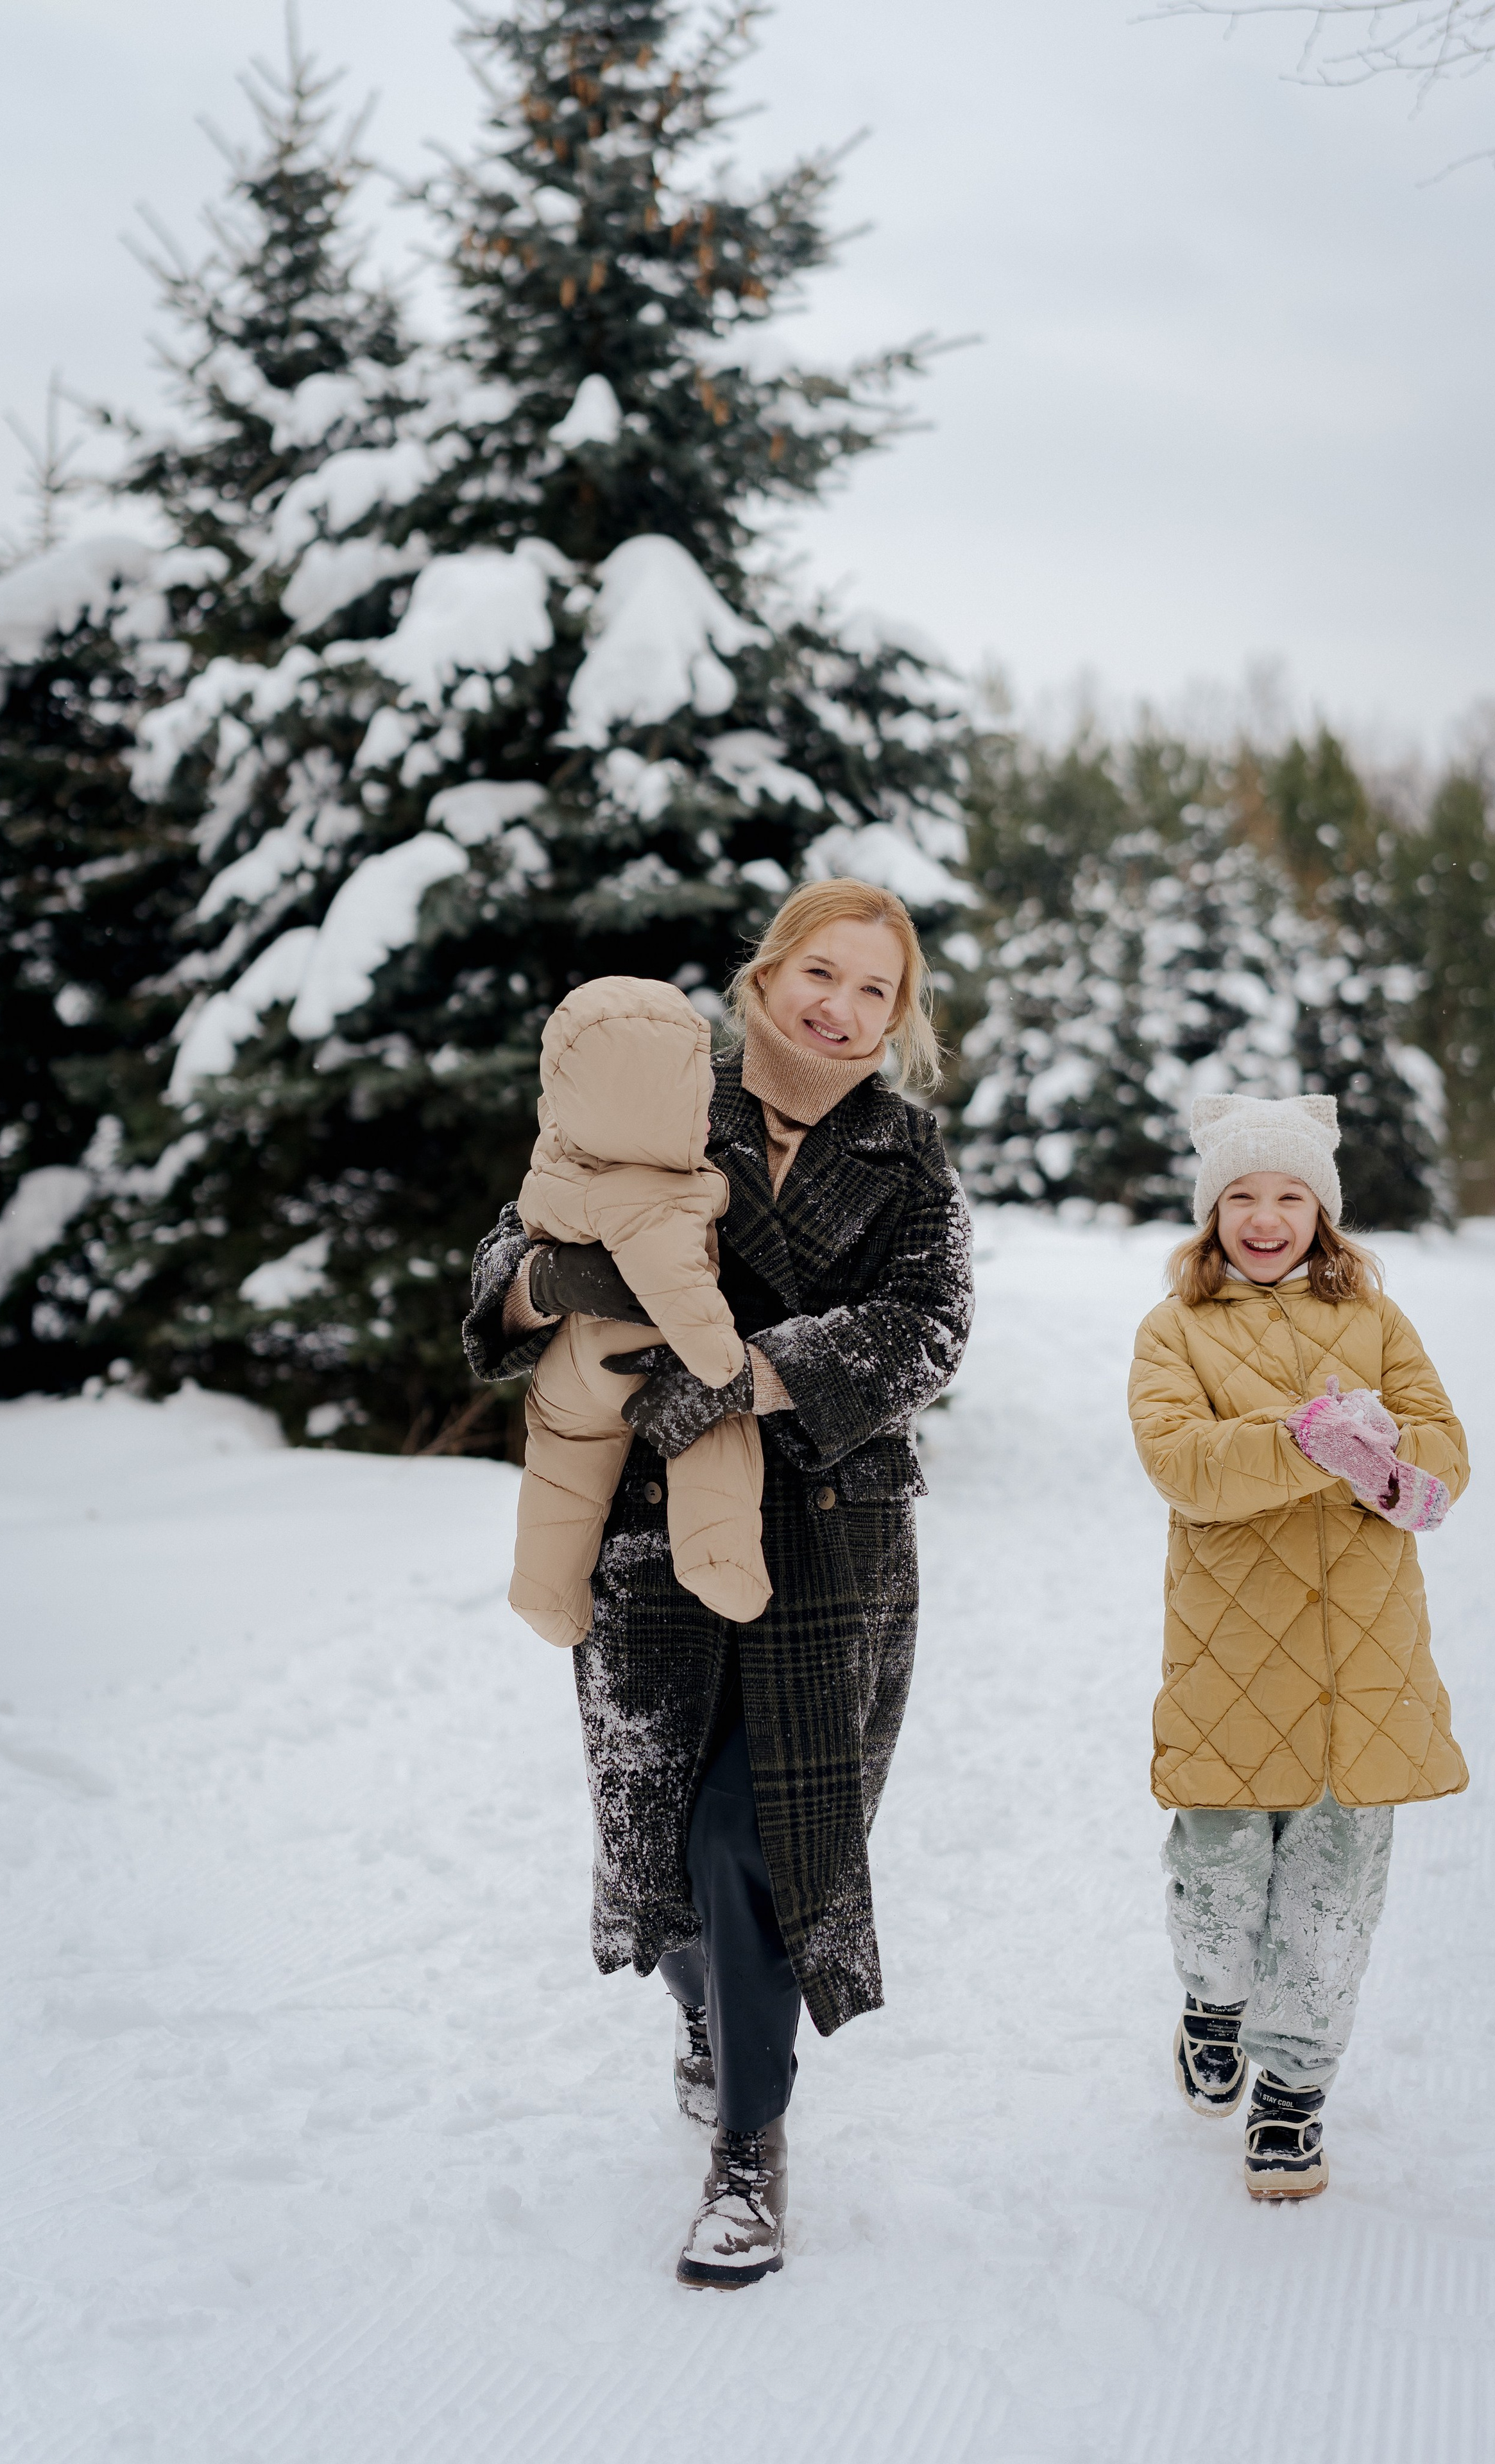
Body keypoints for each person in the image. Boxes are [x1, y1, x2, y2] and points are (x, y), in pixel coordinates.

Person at [463, 879, 973, 2286]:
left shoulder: (905, 1156)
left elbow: (928, 1330)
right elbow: (508, 1255)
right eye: (822, 973)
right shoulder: (667, 1087)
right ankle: (703, 2010)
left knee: (761, 1841)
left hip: (828, 1544)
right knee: (670, 1853)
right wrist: (554, 1285)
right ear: (767, 973)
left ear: (899, 1015)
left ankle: (749, 2145)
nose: (841, 1008)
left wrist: (749, 1374)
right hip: (648, 1539)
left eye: (874, 989)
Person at [1127, 1093, 1469, 2199]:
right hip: (1231, 1658)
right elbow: (1181, 1461)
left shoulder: (1377, 1318)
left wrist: (1387, 1460)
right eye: (1241, 1196)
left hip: (1362, 1660)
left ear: (1323, 1212)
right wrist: (1303, 1441)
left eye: (1289, 1196)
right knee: (1221, 1878)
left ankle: (1292, 2096)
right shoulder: (1176, 1330)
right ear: (1211, 1211)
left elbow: (1442, 1445)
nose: (1265, 1218)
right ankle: (1214, 2003)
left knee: (1333, 1894)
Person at [509, 975, 770, 1647]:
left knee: (563, 1463)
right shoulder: (660, 1188)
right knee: (714, 1423)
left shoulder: (563, 1149)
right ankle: (721, 1563)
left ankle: (543, 1591)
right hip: (641, 1355)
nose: (706, 1104)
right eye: (694, 1092)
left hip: (567, 1371)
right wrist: (725, 1364)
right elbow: (676, 1287)